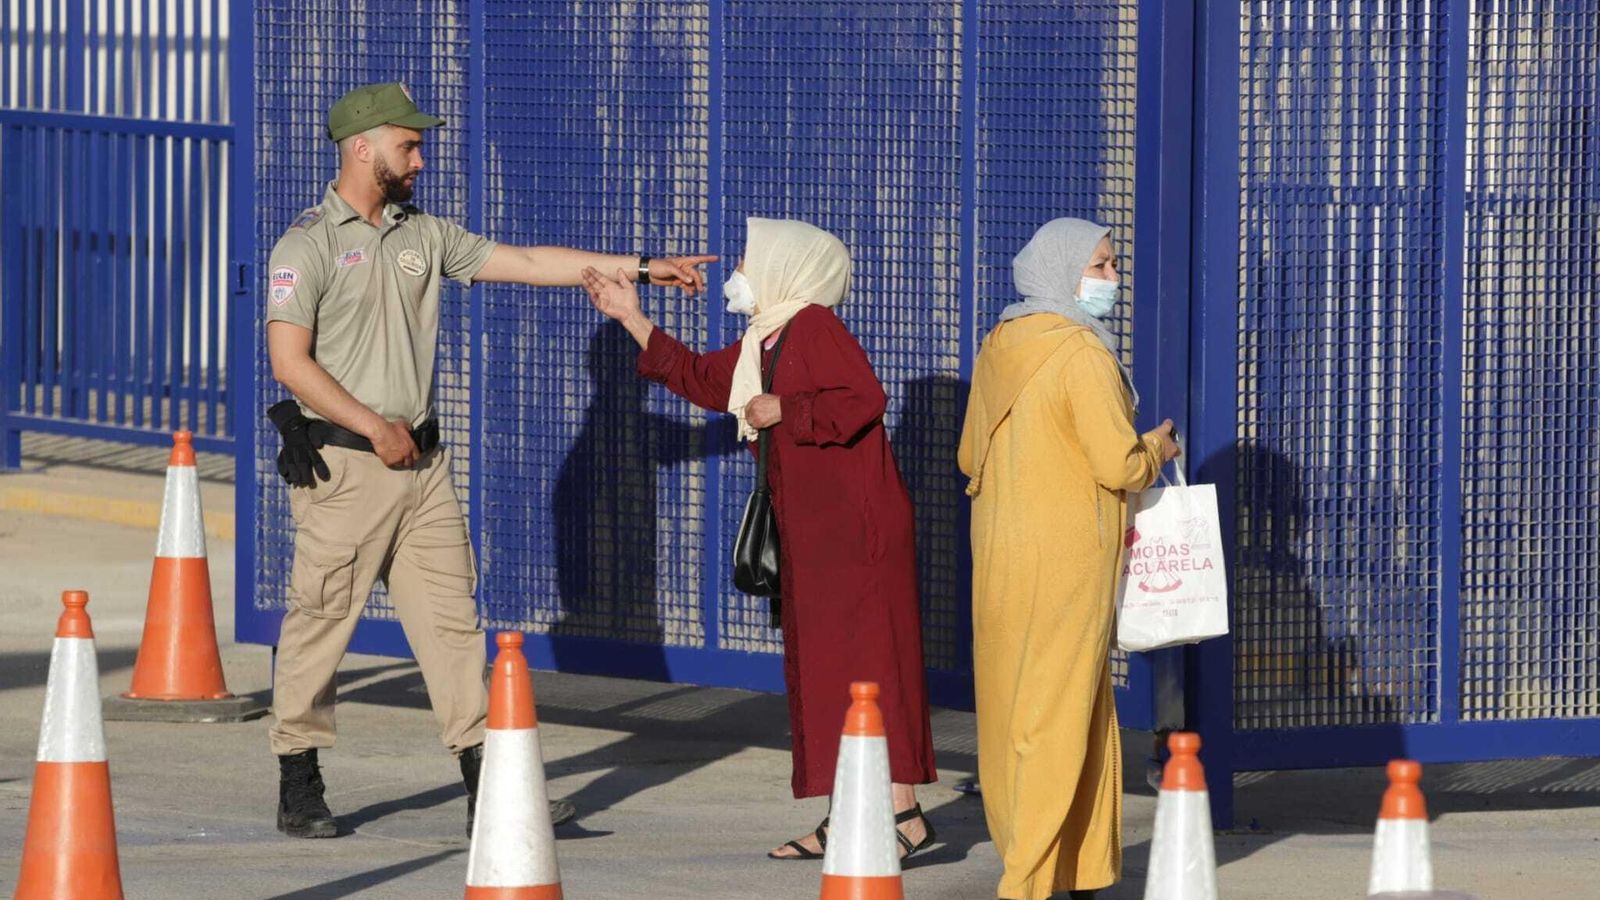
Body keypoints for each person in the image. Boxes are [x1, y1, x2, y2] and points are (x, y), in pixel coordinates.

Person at [263, 81, 714, 839]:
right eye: (409, 144)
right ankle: (299, 781)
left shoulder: (422, 234)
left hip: (424, 470)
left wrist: (638, 267)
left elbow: (532, 260)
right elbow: (289, 362)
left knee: (453, 627)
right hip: (348, 470)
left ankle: (490, 788)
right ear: (363, 146)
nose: (422, 156)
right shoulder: (305, 244)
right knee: (321, 622)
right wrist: (374, 426)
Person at [579, 217, 939, 860]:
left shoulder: (814, 327)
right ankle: (865, 815)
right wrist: (631, 316)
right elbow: (700, 379)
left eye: (750, 258)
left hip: (854, 533)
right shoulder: (767, 340)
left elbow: (864, 398)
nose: (739, 270)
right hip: (818, 530)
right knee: (833, 669)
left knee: (867, 665)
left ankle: (899, 814)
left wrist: (786, 410)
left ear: (787, 269)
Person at [957, 218, 1180, 900]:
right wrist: (1159, 447)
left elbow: (970, 456)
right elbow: (1117, 461)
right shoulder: (1079, 353)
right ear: (1062, 270)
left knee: (1011, 712)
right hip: (1066, 559)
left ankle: (1069, 866)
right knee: (1060, 713)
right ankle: (1028, 880)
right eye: (1103, 266)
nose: (1111, 280)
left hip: (999, 556)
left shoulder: (1002, 343)